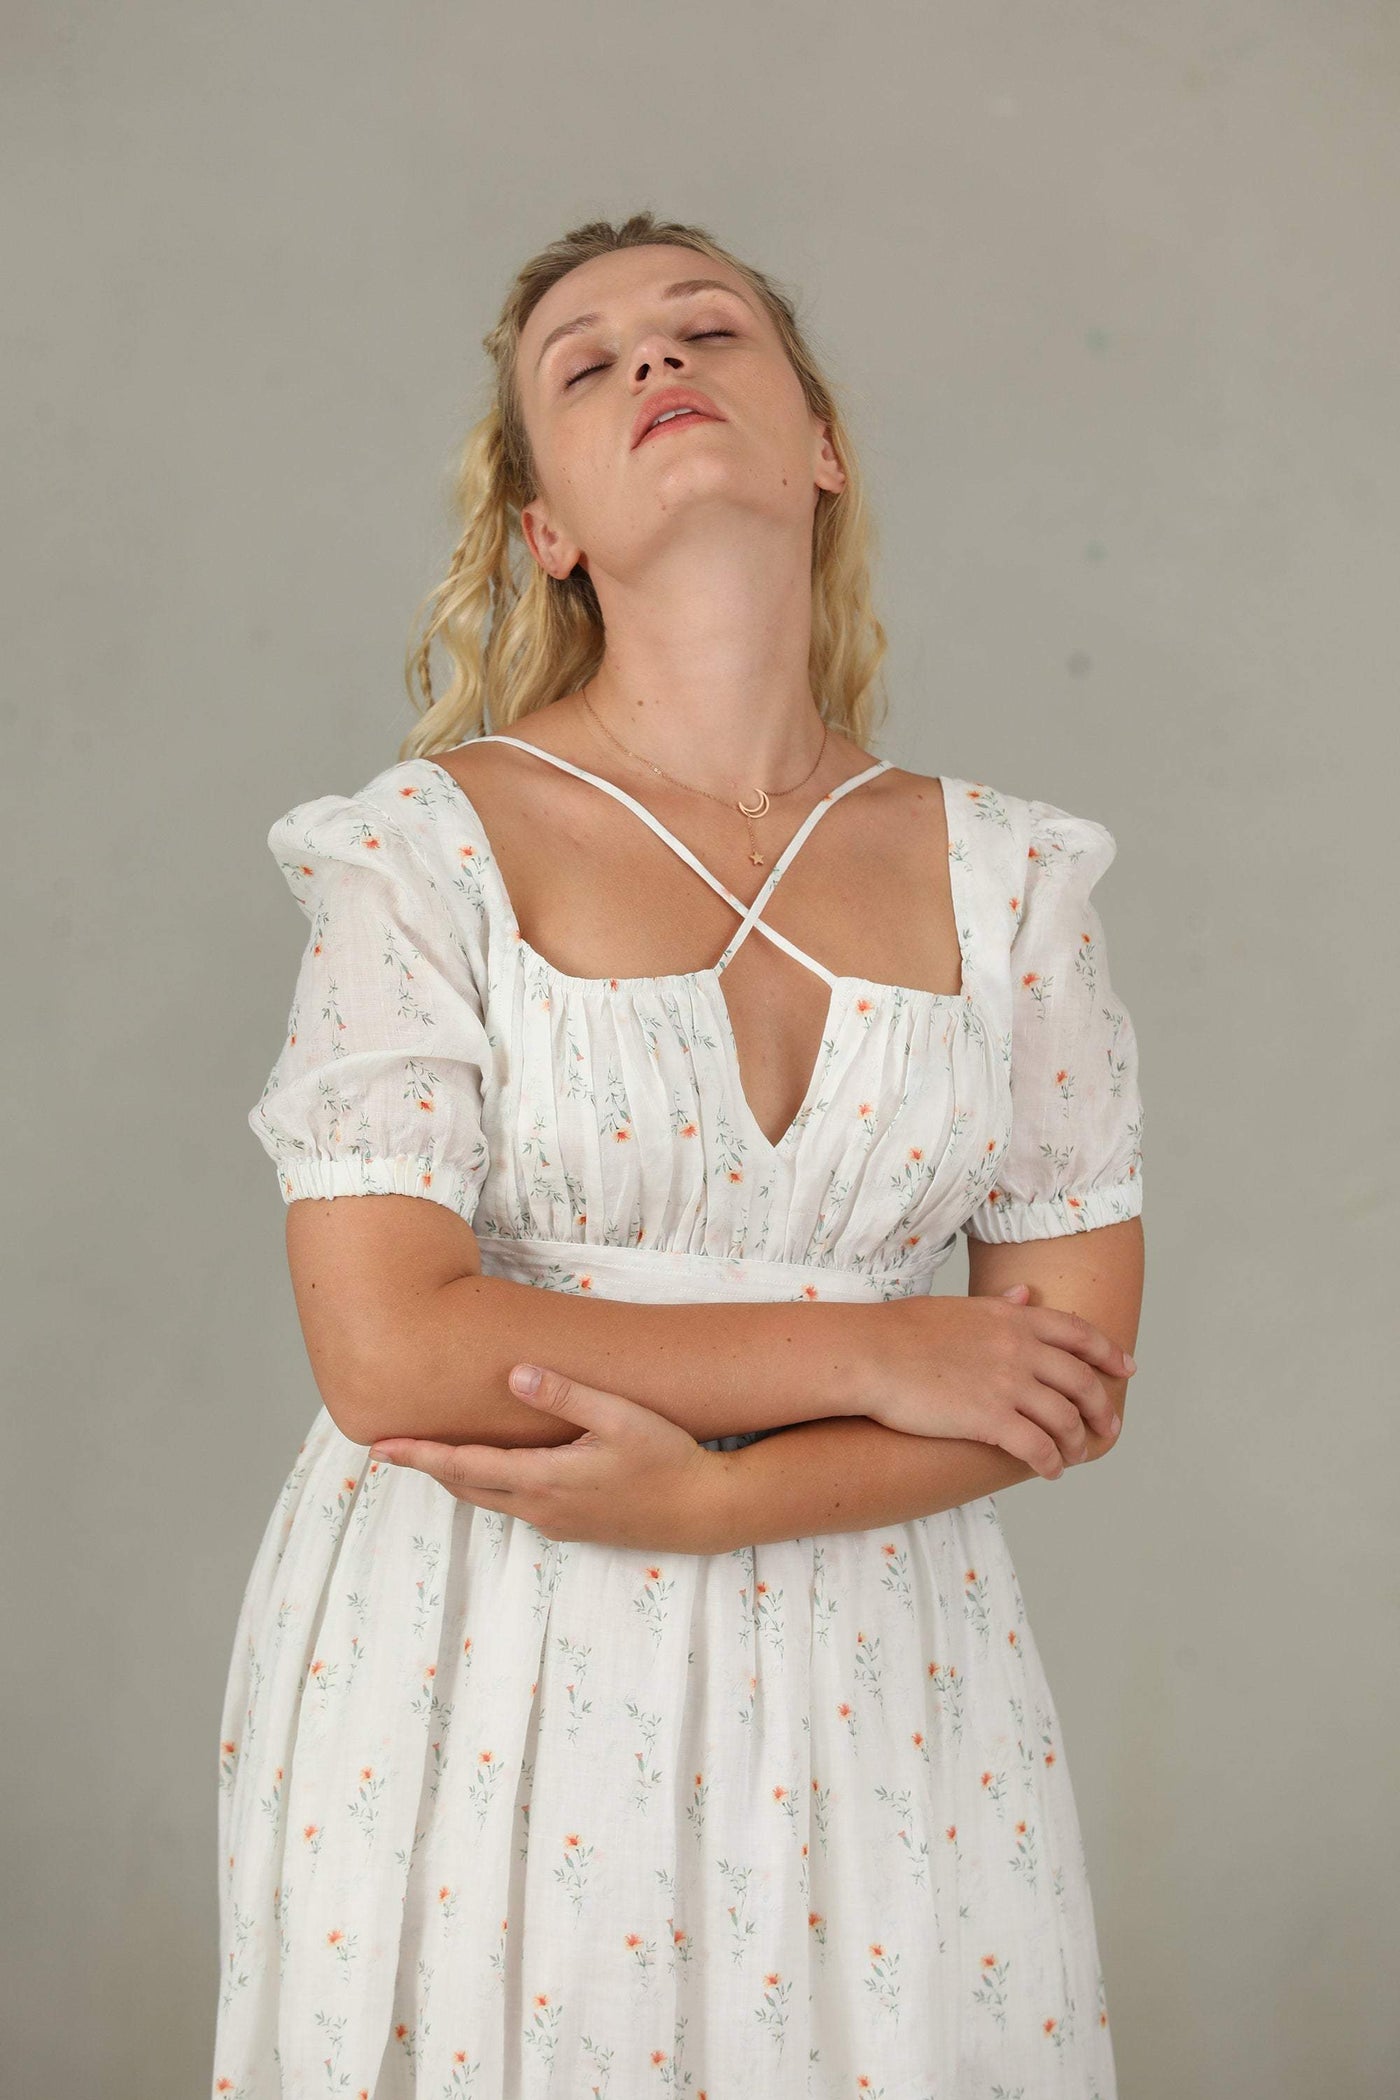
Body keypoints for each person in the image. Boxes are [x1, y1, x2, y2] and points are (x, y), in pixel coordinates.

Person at [213, 211, 1145, 2099]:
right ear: (545, 524)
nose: (655, 359)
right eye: (586, 362)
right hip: (490, 1640)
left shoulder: (1017, 877)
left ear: (824, 445)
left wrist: (723, 1506)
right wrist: (881, 1350)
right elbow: (390, 1349)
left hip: (880, 1656)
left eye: (706, 329)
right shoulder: (418, 850)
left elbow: (1062, 1385)